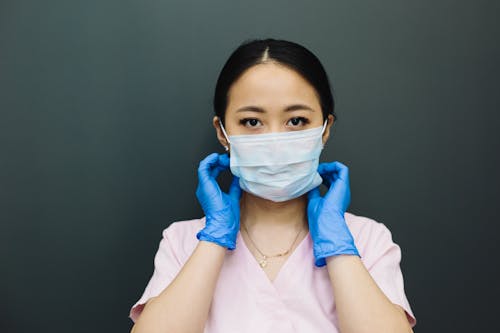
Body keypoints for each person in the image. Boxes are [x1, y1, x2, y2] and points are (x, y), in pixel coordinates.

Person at [129, 38, 417, 333]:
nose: (276, 142)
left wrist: (339, 248)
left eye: (297, 121)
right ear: (223, 132)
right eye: (252, 122)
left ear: (325, 129)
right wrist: (213, 240)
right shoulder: (183, 242)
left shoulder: (367, 240)